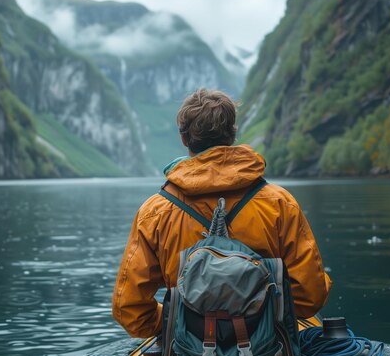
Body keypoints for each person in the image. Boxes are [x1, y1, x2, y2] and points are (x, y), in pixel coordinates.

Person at [112, 88, 331, 340]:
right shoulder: (280, 203)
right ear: (232, 133)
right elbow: (310, 297)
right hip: (270, 355)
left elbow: (130, 310)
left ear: (184, 139)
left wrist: (179, 322)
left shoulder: (154, 212)